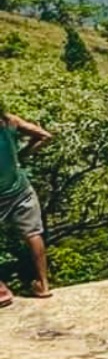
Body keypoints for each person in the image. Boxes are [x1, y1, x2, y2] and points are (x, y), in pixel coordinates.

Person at [0, 106, 52, 304]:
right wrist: (23, 154)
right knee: (33, 233)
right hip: (19, 189)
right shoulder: (9, 121)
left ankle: (1, 291)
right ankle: (43, 285)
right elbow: (45, 136)